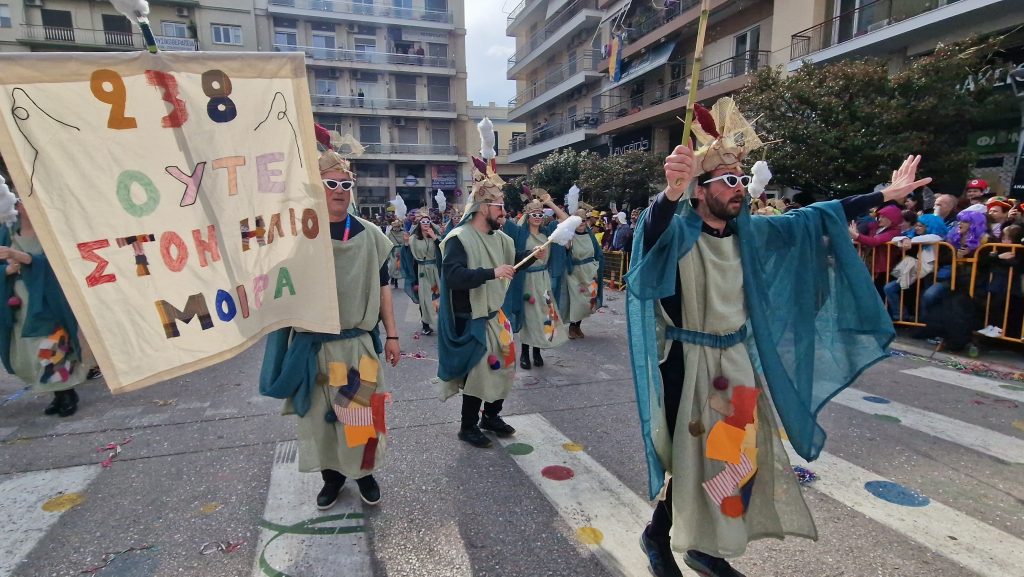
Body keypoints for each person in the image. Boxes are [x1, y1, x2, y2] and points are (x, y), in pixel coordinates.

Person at [626, 98, 929, 577]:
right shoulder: (677, 230)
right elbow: (652, 232)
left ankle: (709, 547)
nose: (740, 189)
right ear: (700, 190)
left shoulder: (751, 233)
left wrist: (884, 196)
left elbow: (814, 218)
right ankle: (657, 537)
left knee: (736, 457)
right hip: (685, 361)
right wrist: (669, 191)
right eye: (729, 180)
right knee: (689, 461)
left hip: (735, 362)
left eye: (742, 179)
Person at [260, 125, 401, 509]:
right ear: (315, 186)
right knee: (323, 422)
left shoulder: (370, 235)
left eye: (346, 183)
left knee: (358, 421)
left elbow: (384, 285)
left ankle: (364, 475)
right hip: (312, 347)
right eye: (331, 183)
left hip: (354, 346)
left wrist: (392, 335)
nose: (340, 191)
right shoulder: (295, 235)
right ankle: (332, 478)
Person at [437, 148, 530, 449]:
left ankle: (491, 416)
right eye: (499, 207)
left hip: (494, 315)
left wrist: (534, 255)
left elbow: (512, 261)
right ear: (482, 207)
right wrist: (492, 272)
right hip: (471, 317)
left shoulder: (502, 238)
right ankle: (467, 426)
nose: (504, 213)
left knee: (504, 367)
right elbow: (453, 276)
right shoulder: (458, 238)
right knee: (478, 373)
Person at [0, 186, 88, 417]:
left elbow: (57, 264)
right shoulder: (7, 231)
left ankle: (66, 393)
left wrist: (22, 257)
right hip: (19, 303)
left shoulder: (49, 233)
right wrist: (7, 270)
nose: (21, 206)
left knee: (52, 346)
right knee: (28, 352)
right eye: (19, 201)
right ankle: (56, 393)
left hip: (47, 302)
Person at [502, 190, 569, 370]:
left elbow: (566, 221)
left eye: (541, 214)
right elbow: (501, 219)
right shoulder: (518, 232)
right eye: (534, 214)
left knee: (544, 315)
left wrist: (550, 203)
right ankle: (524, 352)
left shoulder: (548, 232)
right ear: (527, 216)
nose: (538, 217)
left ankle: (537, 351)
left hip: (543, 279)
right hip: (525, 280)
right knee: (528, 316)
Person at [559, 203, 604, 339]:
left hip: (590, 273)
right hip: (575, 274)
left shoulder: (590, 236)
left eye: (583, 220)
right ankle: (572, 326)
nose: (581, 223)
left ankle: (578, 326)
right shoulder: (570, 237)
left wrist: (597, 267)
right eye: (578, 221)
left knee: (588, 301)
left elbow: (597, 253)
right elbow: (565, 250)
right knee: (577, 301)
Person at [402, 214, 441, 335]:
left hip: (435, 271)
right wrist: (406, 244)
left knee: (441, 297)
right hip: (421, 271)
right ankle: (426, 324)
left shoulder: (435, 237)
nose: (425, 223)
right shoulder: (413, 239)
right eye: (423, 222)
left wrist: (435, 238)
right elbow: (409, 259)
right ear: (419, 224)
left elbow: (443, 252)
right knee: (424, 298)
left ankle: (444, 323)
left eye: (427, 221)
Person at [385, 218, 406, 289]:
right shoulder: (390, 233)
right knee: (392, 266)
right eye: (395, 227)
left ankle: (396, 280)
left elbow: (406, 241)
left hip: (401, 251)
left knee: (399, 266)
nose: (396, 228)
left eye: (397, 227)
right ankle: (393, 278)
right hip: (393, 251)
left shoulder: (403, 233)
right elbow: (387, 242)